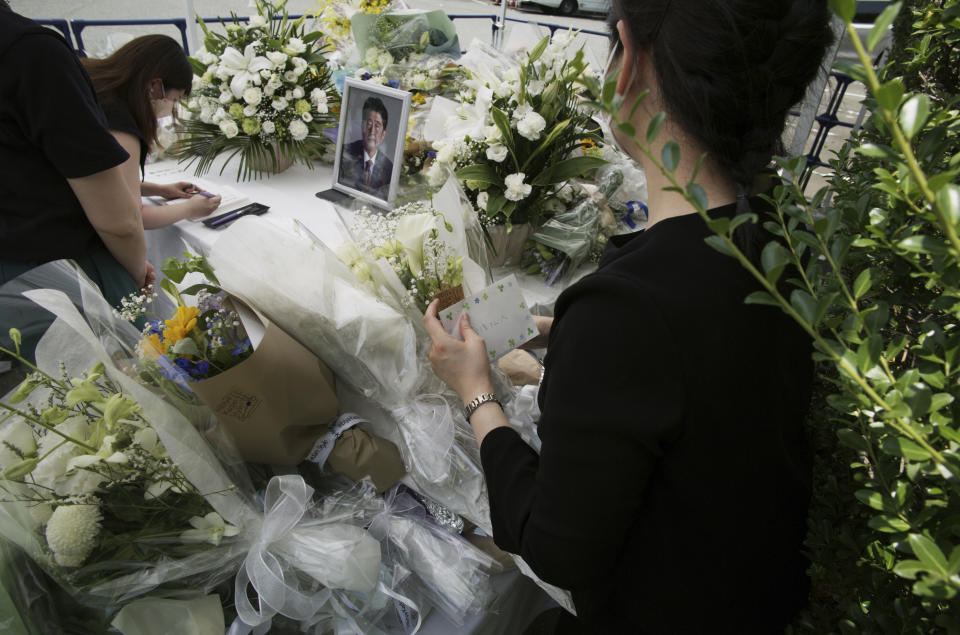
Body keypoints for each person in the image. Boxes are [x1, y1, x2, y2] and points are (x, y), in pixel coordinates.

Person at [424, 1, 834, 632]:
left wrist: (476, 392)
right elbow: (699, 367)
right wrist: (562, 335)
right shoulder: (786, 231)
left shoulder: (628, 306)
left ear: (630, 61)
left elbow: (556, 547)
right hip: (760, 587)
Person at [1, 2, 154, 359]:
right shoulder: (29, 50)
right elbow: (119, 221)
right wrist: (132, 273)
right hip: (63, 278)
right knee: (127, 398)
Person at [81, 34, 222, 228]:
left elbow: (108, 183)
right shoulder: (121, 127)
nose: (172, 108)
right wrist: (190, 208)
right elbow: (133, 217)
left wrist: (159, 190)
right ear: (155, 87)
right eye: (175, 99)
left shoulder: (93, 94)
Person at [338, 96, 394, 200]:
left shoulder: (389, 167)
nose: (372, 131)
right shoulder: (345, 152)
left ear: (383, 134)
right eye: (368, 124)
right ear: (362, 127)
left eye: (377, 126)